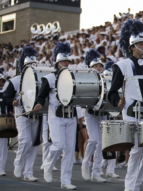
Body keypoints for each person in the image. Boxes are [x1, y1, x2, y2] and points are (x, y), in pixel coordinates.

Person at [107, 20, 143, 191]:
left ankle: (137, 185)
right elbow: (112, 92)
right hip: (131, 114)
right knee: (135, 152)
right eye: (140, 43)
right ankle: (129, 187)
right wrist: (116, 101)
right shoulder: (122, 65)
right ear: (132, 46)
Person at [34, 42, 83, 190]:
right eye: (64, 61)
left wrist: (80, 115)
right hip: (56, 116)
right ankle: (48, 166)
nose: (67, 63)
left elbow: (79, 96)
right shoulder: (49, 78)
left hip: (71, 116)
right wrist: (39, 103)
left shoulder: (74, 77)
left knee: (69, 149)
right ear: (57, 62)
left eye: (68, 61)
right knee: (58, 145)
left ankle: (65, 180)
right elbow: (41, 95)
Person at [3, 47, 40, 181]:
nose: (31, 67)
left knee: (34, 145)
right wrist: (12, 102)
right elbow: (5, 97)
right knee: (25, 141)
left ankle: (28, 172)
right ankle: (18, 164)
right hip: (22, 115)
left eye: (33, 64)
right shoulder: (14, 81)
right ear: (23, 66)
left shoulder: (41, 79)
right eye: (28, 65)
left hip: (36, 115)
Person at [80, 49, 107, 183]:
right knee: (93, 140)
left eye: (100, 66)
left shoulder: (106, 79)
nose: (98, 68)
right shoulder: (87, 80)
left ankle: (96, 172)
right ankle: (85, 166)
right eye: (95, 66)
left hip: (103, 115)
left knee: (101, 144)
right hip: (91, 114)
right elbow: (81, 98)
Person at [0, 74, 13, 176]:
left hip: (3, 120)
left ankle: (1, 168)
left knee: (4, 146)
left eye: (2, 81)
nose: (1, 83)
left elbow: (9, 106)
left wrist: (10, 111)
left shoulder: (5, 94)